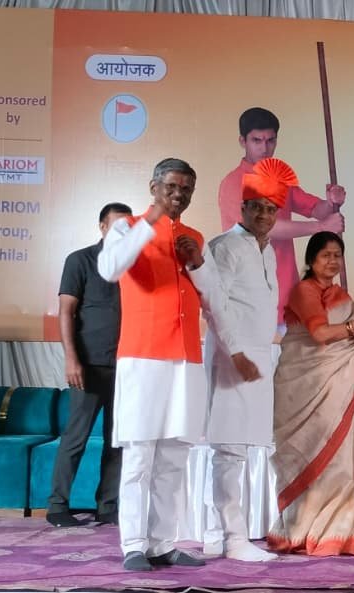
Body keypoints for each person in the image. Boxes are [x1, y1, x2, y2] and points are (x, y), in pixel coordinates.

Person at [98, 158, 241, 571]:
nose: (178, 195)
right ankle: (133, 545)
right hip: (142, 358)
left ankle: (162, 543)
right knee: (140, 456)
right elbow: (110, 268)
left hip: (185, 360)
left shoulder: (194, 237)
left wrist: (197, 262)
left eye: (186, 190)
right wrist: (151, 221)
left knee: (174, 457)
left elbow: (213, 297)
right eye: (171, 188)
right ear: (153, 187)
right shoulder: (127, 227)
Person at [267, 232, 354, 556]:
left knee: (343, 461)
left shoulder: (340, 296)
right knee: (314, 458)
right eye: (325, 255)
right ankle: (300, 530)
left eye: (337, 255)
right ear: (311, 259)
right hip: (306, 388)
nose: (332, 261)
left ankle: (336, 534)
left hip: (340, 391)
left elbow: (347, 343)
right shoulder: (303, 290)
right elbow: (321, 335)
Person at [203, 158, 298, 563]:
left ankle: (220, 534)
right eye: (256, 207)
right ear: (241, 208)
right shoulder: (224, 247)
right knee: (228, 451)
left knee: (238, 450)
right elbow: (214, 305)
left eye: (270, 209)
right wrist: (237, 353)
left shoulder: (267, 251)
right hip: (232, 357)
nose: (263, 215)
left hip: (258, 357)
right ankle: (232, 538)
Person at [218, 107, 346, 324]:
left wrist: (331, 202)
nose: (264, 148)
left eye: (270, 140)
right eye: (257, 140)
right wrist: (321, 227)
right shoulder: (234, 182)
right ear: (242, 141)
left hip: (287, 295)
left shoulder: (278, 179)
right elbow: (266, 227)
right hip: (248, 297)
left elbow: (316, 210)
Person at [48, 202, 131, 528]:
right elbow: (66, 312)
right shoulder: (80, 260)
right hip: (88, 366)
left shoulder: (133, 267)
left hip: (126, 367)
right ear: (102, 227)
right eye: (116, 226)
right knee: (75, 438)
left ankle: (107, 507)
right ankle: (57, 506)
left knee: (117, 442)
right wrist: (72, 359)